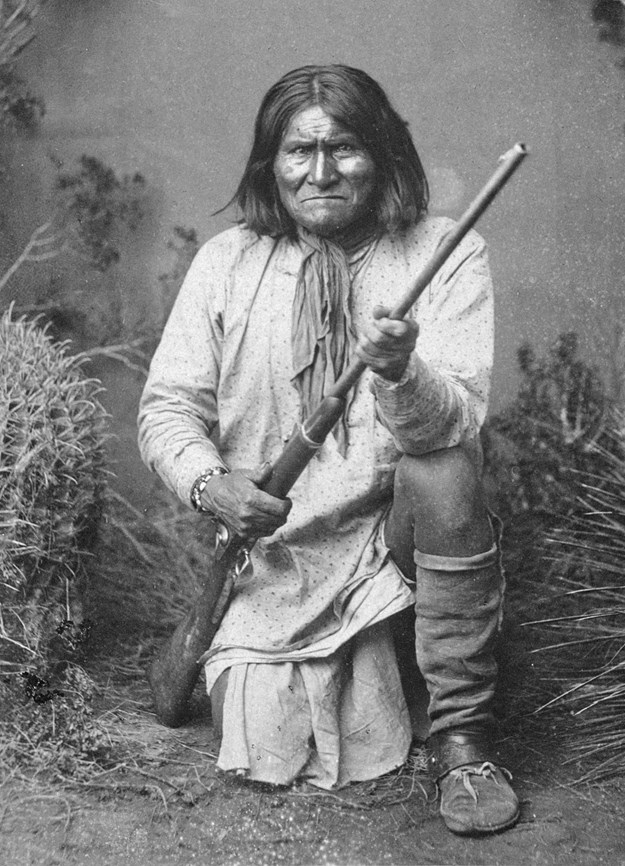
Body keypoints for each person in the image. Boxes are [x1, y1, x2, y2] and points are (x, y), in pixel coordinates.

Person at [138, 64, 519, 836]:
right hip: (272, 561)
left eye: (343, 148)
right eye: (297, 152)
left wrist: (400, 370)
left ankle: (465, 740)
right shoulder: (227, 262)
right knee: (268, 739)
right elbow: (167, 410)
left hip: (391, 556)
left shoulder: (447, 252)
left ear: (382, 154)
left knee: (444, 469)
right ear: (269, 164)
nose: (319, 172)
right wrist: (215, 487)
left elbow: (453, 428)